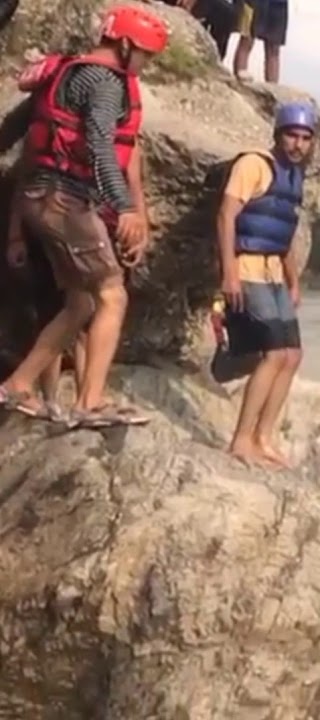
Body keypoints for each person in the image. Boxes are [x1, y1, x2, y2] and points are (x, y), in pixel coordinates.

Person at [0, 5, 167, 428]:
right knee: (113, 294)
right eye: (146, 55)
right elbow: (100, 146)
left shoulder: (65, 72)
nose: (146, 65)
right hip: (65, 200)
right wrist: (125, 206)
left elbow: (14, 130)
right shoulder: (106, 83)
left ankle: (18, 385)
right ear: (125, 45)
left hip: (38, 197)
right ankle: (89, 403)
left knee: (80, 302)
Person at [218, 101, 315, 466]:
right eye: (292, 135)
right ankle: (241, 440)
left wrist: (294, 281)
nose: (298, 144)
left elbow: (282, 233)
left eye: (305, 138)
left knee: (293, 355)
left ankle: (264, 437)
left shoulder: (294, 175)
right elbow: (226, 216)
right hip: (247, 267)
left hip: (274, 272)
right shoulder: (254, 164)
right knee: (273, 354)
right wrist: (229, 272)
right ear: (278, 135)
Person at [232, 0, 288, 83]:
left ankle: (272, 87)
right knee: (247, 39)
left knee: (274, 48)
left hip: (279, 3)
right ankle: (240, 81)